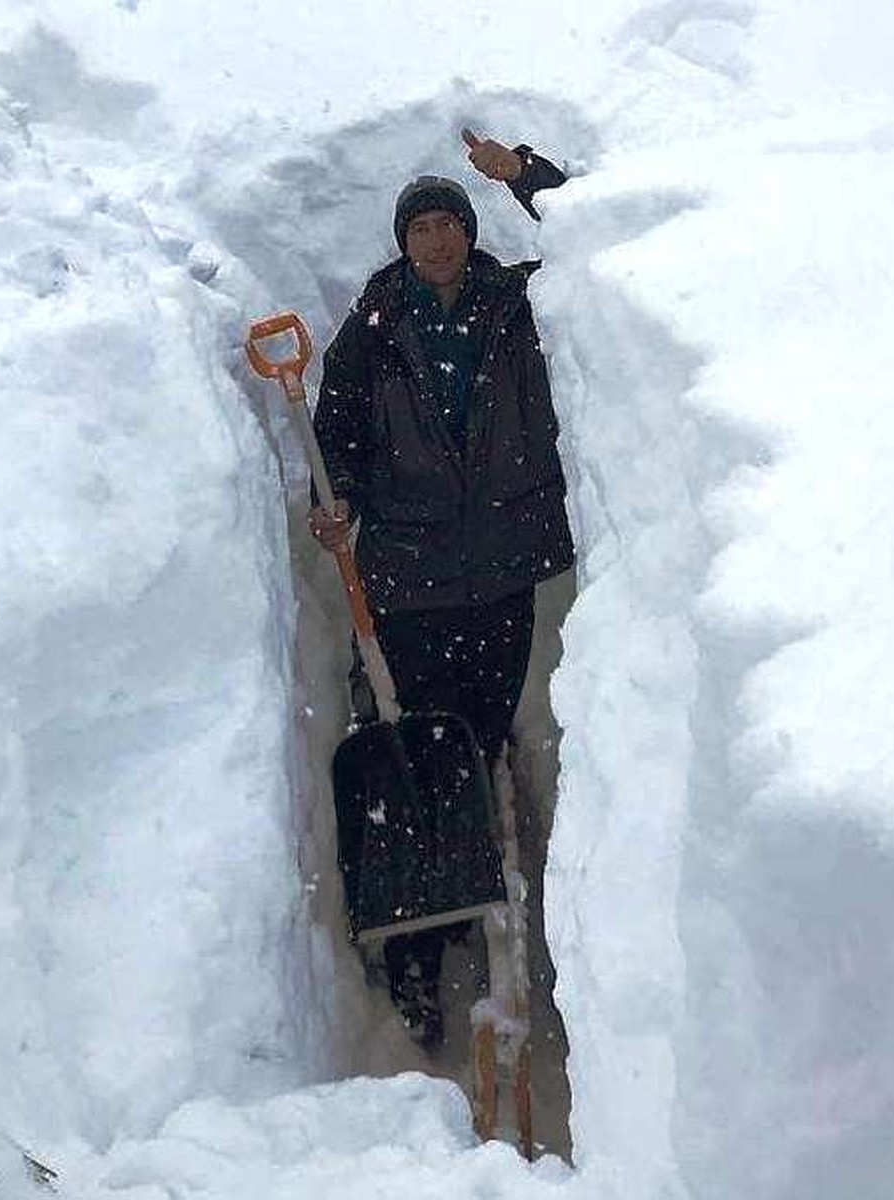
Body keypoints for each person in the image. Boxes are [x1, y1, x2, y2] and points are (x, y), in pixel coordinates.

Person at [309, 129, 571, 1049]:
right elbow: (334, 434)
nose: (435, 241)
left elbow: (599, 240)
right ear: (401, 241)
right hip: (411, 583)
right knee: (415, 758)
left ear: (468, 230)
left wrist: (527, 176)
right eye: (419, 227)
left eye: (448, 223)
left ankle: (480, 911)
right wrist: (331, 502)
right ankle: (420, 955)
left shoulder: (517, 303)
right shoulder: (372, 334)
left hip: (499, 574)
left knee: (482, 746)